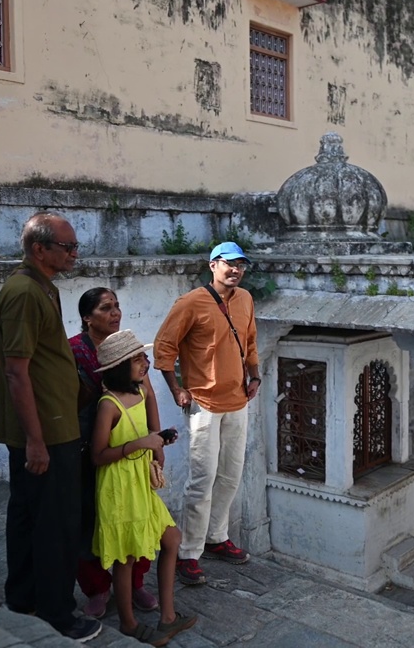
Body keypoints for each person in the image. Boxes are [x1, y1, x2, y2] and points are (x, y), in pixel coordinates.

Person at [0, 211, 102, 642]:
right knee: (56, 521)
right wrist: (36, 440)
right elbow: (17, 371)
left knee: (30, 513)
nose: (74, 254)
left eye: (74, 246)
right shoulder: (22, 293)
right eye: (67, 247)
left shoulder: (41, 288)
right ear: (40, 249)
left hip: (54, 420)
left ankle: (24, 597)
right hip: (46, 430)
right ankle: (58, 612)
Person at [154, 241, 261, 586]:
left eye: (240, 265)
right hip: (203, 404)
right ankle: (188, 553)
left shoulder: (245, 299)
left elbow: (251, 340)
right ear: (213, 265)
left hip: (238, 400)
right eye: (229, 264)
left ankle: (216, 537)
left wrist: (255, 373)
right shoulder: (190, 302)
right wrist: (176, 389)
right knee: (201, 480)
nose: (235, 270)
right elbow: (164, 347)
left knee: (230, 475)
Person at [91, 329, 198, 645]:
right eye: (137, 359)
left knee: (172, 538)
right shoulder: (108, 405)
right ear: (120, 366)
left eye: (143, 357)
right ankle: (128, 622)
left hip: (139, 483)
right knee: (125, 558)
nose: (145, 363)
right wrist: (139, 444)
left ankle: (168, 617)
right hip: (118, 486)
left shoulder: (138, 393)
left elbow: (146, 428)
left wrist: (158, 442)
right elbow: (97, 456)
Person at [69, 288, 160, 617]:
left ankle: (134, 582)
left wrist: (155, 437)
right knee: (89, 517)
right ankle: (97, 587)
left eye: (117, 306)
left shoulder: (128, 346)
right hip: (86, 447)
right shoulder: (74, 351)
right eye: (106, 308)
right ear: (87, 317)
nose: (115, 312)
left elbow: (148, 393)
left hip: (132, 446)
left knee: (136, 513)